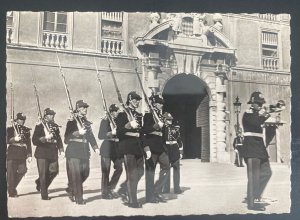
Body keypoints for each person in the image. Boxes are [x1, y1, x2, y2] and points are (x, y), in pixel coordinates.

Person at [115, 91, 150, 208]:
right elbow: (119, 133)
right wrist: (129, 125)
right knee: (132, 175)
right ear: (130, 100)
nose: (138, 102)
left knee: (140, 172)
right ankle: (132, 201)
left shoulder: (139, 115)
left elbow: (141, 134)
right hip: (127, 147)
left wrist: (146, 148)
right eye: (136, 100)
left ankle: (124, 189)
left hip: (138, 147)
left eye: (139, 100)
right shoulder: (122, 115)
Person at [240, 91, 272, 211]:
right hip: (251, 148)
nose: (260, 105)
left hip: (260, 149)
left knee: (267, 172)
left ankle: (253, 196)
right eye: (258, 103)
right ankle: (253, 203)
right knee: (254, 177)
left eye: (261, 103)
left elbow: (261, 121)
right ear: (252, 103)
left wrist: (267, 112)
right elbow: (256, 122)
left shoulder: (258, 114)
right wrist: (265, 113)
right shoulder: (248, 114)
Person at [64, 100, 100, 205]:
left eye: (86, 107)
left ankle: (71, 189)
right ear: (78, 109)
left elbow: (90, 136)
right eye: (83, 107)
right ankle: (79, 199)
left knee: (85, 172)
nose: (85, 109)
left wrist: (95, 147)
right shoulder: (71, 121)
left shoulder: (86, 122)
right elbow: (66, 138)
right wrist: (77, 133)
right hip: (73, 151)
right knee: (77, 175)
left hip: (84, 151)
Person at [32, 108, 64, 200]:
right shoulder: (39, 125)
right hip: (42, 152)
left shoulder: (55, 126)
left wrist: (61, 149)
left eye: (53, 114)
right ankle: (44, 195)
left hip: (53, 152)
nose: (52, 116)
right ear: (45, 116)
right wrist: (45, 138)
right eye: (50, 115)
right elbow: (34, 140)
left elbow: (58, 139)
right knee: (43, 174)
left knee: (54, 171)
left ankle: (39, 183)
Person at [143, 95, 170, 203]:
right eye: (159, 102)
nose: (161, 104)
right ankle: (149, 196)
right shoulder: (148, 115)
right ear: (154, 104)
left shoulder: (160, 116)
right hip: (151, 145)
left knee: (166, 166)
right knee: (150, 172)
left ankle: (156, 190)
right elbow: (145, 130)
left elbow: (163, 134)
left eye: (162, 103)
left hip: (160, 146)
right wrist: (156, 126)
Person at [98, 104, 123, 199]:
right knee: (106, 170)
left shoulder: (118, 121)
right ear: (111, 112)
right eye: (116, 111)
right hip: (107, 147)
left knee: (119, 168)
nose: (117, 113)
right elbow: (100, 135)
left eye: (118, 111)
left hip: (116, 148)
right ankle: (104, 193)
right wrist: (110, 133)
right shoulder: (105, 121)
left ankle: (110, 188)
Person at [6, 113, 32, 197]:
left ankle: (11, 187)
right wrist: (14, 139)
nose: (22, 121)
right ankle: (12, 192)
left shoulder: (26, 130)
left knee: (23, 170)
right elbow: (6, 139)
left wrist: (29, 155)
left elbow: (28, 143)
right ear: (17, 120)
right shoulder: (10, 129)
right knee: (11, 174)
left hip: (22, 153)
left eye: (24, 119)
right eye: (21, 119)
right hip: (12, 153)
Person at [161, 112, 183, 194]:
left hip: (174, 149)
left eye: (170, 120)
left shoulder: (175, 128)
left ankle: (177, 188)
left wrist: (180, 152)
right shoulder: (162, 128)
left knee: (176, 169)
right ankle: (166, 189)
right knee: (166, 169)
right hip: (166, 149)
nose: (170, 121)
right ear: (164, 120)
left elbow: (179, 140)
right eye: (168, 119)